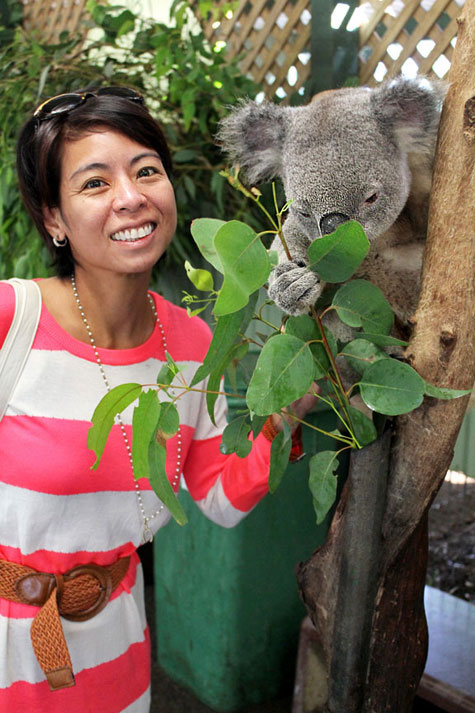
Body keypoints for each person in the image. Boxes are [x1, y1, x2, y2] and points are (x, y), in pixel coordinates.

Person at [0, 88, 316, 712]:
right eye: (94, 183)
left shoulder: (194, 342)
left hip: (116, 639)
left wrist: (291, 404)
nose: (131, 196)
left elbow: (218, 497)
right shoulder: (13, 320)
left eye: (147, 170)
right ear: (53, 219)